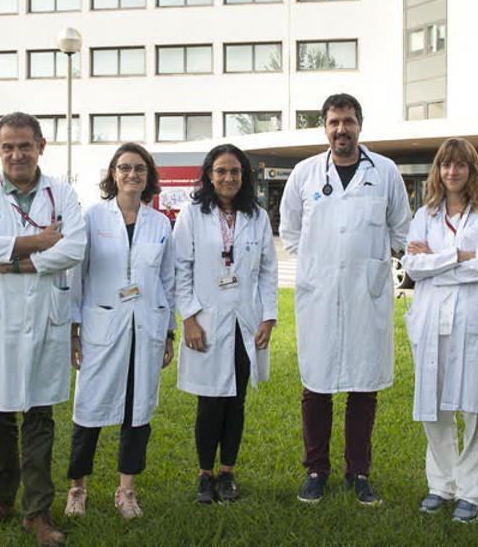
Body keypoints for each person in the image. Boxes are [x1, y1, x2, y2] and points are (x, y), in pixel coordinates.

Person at [0, 112, 86, 546]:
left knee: (39, 416)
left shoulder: (62, 192)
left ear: (41, 146)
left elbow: (77, 246)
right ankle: (1, 500)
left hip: (44, 318)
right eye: (8, 146)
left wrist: (14, 263)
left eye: (24, 145)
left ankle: (37, 512)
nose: (16, 154)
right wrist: (37, 242)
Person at [280, 93, 410, 506]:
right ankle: (316, 470)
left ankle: (359, 473)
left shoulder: (385, 171)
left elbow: (400, 231)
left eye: (348, 121)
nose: (341, 129)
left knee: (363, 386)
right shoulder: (304, 173)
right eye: (334, 122)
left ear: (360, 125)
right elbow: (291, 233)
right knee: (315, 385)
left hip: (365, 294)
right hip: (320, 295)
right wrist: (323, 267)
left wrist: (365, 263)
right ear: (324, 127)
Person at [65, 143, 176, 520]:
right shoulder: (93, 217)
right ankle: (78, 488)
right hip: (101, 327)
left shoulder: (160, 223)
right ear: (113, 174)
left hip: (145, 327)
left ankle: (126, 491)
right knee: (88, 409)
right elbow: (76, 275)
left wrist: (170, 332)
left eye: (140, 169)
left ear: (149, 176)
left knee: (137, 410)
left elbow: (168, 280)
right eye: (125, 167)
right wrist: (74, 330)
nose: (132, 174)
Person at [401, 138, 478, 524]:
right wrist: (458, 255)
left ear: (471, 170)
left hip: (472, 319)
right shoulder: (425, 214)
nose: (452, 172)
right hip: (430, 320)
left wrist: (435, 261)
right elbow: (411, 267)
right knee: (434, 405)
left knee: (476, 407)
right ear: (438, 171)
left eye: (460, 165)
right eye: (446, 165)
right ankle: (441, 485)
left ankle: (472, 492)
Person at [173, 144, 277, 504]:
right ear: (209, 175)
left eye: (235, 171)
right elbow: (180, 268)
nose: (228, 178)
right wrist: (188, 317)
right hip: (206, 319)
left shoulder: (257, 216)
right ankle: (205, 474)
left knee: (236, 401)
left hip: (244, 321)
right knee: (210, 402)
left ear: (244, 176)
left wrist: (268, 316)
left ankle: (228, 473)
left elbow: (267, 270)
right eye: (221, 171)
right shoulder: (192, 215)